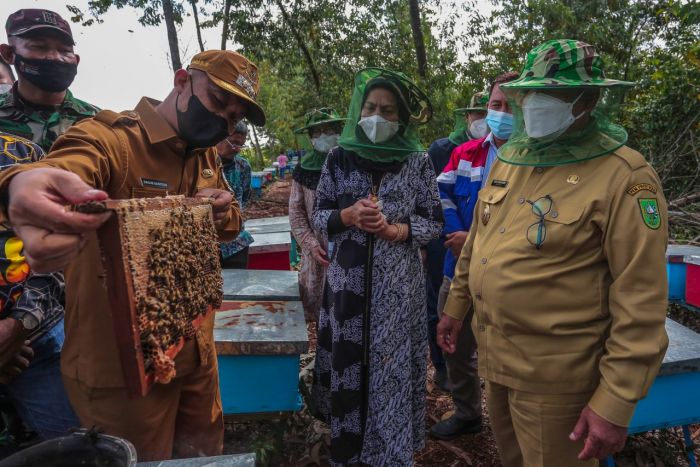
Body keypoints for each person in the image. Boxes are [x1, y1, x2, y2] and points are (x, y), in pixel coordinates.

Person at [0, 49, 265, 461]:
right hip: (123, 372)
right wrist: (25, 184)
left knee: (203, 456)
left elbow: (229, 225)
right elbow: (68, 164)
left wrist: (223, 207)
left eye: (234, 117)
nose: (223, 121)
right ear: (181, 81)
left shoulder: (207, 153)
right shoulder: (113, 139)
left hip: (197, 354)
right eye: (217, 101)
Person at [437, 39, 669, 466]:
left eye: (554, 94)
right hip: (499, 360)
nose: (536, 104)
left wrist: (614, 402)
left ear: (589, 99)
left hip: (559, 380)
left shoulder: (625, 176)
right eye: (531, 93)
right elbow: (480, 241)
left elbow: (641, 299)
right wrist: (456, 305)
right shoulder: (512, 159)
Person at [311, 68, 443, 466]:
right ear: (358, 110)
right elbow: (319, 215)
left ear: (401, 117)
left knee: (391, 369)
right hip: (346, 287)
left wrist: (394, 229)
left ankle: (390, 455)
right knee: (350, 366)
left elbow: (433, 222)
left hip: (397, 291)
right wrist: (347, 215)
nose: (377, 116)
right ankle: (348, 454)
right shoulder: (338, 158)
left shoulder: (417, 162)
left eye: (387, 110)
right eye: (370, 107)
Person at [430, 73, 518, 440]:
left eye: (510, 107)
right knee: (454, 345)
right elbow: (443, 191)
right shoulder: (466, 153)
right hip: (459, 270)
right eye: (496, 105)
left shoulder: (537, 161)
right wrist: (456, 234)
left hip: (510, 279)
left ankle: (515, 423)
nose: (500, 113)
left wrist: (476, 240)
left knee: (509, 353)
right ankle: (468, 412)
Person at [0, 131, 79, 443]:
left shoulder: (21, 154)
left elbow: (57, 252)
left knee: (77, 447)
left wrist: (20, 324)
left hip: (37, 344)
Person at [425, 90, 489, 392]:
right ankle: (451, 384)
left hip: (497, 264)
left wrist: (473, 240)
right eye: (479, 114)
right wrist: (454, 235)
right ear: (467, 117)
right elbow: (437, 193)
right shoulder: (447, 149)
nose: (485, 119)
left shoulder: (518, 153)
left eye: (491, 111)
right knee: (443, 314)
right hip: (448, 250)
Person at [0, 9, 99, 152]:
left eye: (65, 50)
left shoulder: (99, 123)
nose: (55, 57)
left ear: (76, 60)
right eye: (40, 47)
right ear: (9, 54)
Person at [289, 107, 345, 321]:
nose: (322, 136)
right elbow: (296, 213)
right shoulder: (303, 169)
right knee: (320, 315)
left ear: (339, 131)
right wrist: (312, 245)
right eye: (316, 132)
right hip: (316, 254)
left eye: (328, 130)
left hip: (349, 249)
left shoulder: (352, 162)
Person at [217, 121, 254, 269]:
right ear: (219, 136)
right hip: (209, 245)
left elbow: (244, 197)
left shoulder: (243, 166)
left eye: (241, 144)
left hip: (237, 244)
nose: (236, 149)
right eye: (232, 142)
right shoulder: (203, 164)